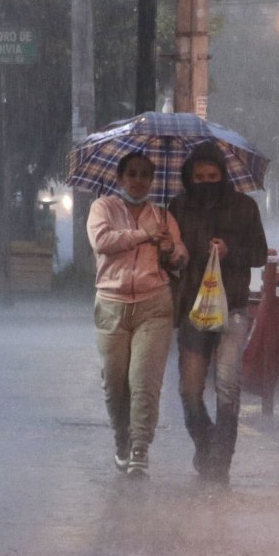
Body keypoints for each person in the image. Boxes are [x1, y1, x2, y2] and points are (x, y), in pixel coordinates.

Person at [168, 143, 268, 484]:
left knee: (228, 386)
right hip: (192, 310)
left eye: (212, 176)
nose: (206, 182)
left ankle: (221, 461)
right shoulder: (178, 207)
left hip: (233, 308)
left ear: (223, 176)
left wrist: (230, 250)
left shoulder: (244, 207)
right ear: (189, 177)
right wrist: (174, 254)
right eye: (199, 177)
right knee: (190, 390)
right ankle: (205, 441)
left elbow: (258, 254)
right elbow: (169, 257)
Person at [87, 152, 187, 478]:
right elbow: (103, 241)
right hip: (111, 306)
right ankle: (122, 440)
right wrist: (144, 236)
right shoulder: (103, 208)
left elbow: (181, 258)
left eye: (145, 174)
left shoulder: (162, 216)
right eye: (132, 173)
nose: (138, 180)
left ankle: (140, 448)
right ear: (120, 177)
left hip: (154, 306)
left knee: (144, 381)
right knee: (114, 384)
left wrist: (171, 248)